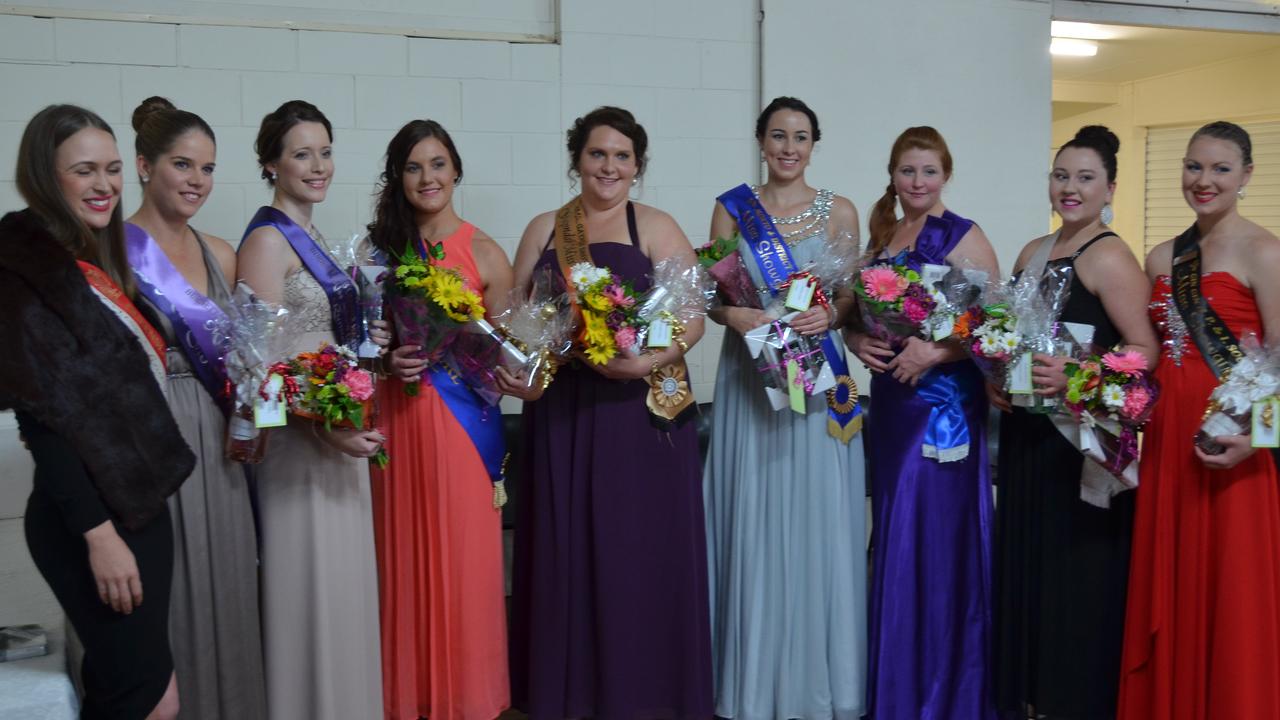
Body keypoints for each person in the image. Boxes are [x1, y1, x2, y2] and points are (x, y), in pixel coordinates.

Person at [505, 106, 713, 720]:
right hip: (564, 409)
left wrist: (644, 362)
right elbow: (520, 317)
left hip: (635, 414)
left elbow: (691, 319)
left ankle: (644, 692)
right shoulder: (545, 227)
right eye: (598, 154)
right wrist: (533, 366)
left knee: (634, 555)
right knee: (566, 551)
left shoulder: (656, 226)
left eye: (622, 156)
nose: (609, 166)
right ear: (577, 160)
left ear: (638, 166)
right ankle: (568, 694)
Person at [0, 104, 194, 719]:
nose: (104, 185)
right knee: (144, 698)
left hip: (135, 506)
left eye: (112, 169)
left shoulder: (88, 260)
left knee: (145, 690)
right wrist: (100, 536)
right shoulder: (24, 269)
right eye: (84, 170)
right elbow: (43, 419)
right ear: (44, 176)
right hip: (90, 519)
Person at [702, 96, 867, 720]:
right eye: (778, 136)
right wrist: (732, 314)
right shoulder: (731, 208)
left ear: (814, 144)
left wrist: (833, 312)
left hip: (821, 380)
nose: (788, 147)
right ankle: (750, 681)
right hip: (753, 379)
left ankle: (821, 682)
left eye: (800, 136)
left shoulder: (841, 211)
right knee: (755, 509)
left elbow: (851, 298)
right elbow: (712, 299)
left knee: (820, 515)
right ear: (761, 141)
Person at [991, 125, 1159, 719]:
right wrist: (996, 377)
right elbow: (1012, 337)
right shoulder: (1032, 250)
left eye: (1085, 178)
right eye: (1061, 176)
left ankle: (1073, 700)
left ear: (1109, 187)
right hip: (1027, 436)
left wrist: (1077, 378)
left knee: (1073, 580)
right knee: (1029, 571)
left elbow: (1145, 351)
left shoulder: (1110, 254)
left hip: (1079, 444)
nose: (1070, 188)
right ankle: (1031, 697)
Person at [1118, 121, 1280, 719]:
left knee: (1230, 592)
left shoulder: (1266, 252)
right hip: (1168, 438)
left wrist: (1256, 441)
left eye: (1218, 169)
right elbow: (1148, 350)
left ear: (1246, 176)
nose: (1203, 181)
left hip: (1234, 445)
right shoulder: (1163, 256)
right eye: (1193, 167)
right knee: (1173, 580)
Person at [236, 99, 385, 720]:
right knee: (309, 592)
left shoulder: (321, 235)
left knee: (343, 593)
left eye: (324, 151)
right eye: (302, 153)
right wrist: (327, 430)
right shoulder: (268, 242)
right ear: (271, 163)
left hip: (338, 438)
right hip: (301, 447)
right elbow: (257, 370)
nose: (318, 165)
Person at [846, 125, 1000, 720]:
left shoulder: (964, 236)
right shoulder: (884, 234)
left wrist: (935, 352)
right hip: (891, 402)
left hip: (942, 408)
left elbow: (997, 324)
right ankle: (899, 682)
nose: (917, 182)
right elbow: (854, 310)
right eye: (907, 172)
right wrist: (858, 336)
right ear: (893, 175)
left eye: (929, 172)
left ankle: (943, 691)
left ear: (946, 175)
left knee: (932, 535)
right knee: (894, 529)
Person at [123, 96, 267, 720]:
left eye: (207, 169)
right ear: (143, 166)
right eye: (183, 165)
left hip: (219, 437)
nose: (197, 182)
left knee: (229, 584)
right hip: (148, 436)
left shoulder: (222, 252)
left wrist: (258, 416)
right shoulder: (111, 253)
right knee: (169, 592)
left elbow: (246, 356)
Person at [367, 119, 513, 720]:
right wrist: (383, 355)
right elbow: (359, 344)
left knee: (463, 568)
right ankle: (405, 700)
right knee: (400, 563)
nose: (427, 178)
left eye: (437, 164)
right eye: (412, 166)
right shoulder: (378, 252)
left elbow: (506, 344)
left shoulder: (484, 251)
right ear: (398, 178)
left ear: (456, 170)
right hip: (397, 423)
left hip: (461, 432)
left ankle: (468, 701)